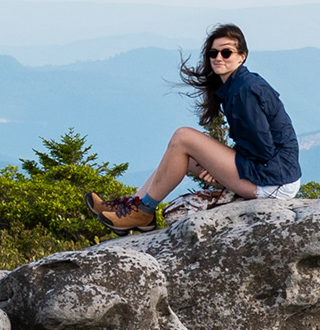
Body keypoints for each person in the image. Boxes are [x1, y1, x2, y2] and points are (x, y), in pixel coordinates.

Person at [87, 24, 302, 234]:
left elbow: (262, 151)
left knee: (183, 137)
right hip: (270, 173)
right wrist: (220, 168)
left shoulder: (245, 91)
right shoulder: (236, 85)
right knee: (181, 157)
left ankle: (144, 210)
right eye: (213, 52)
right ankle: (134, 207)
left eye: (226, 52)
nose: (218, 57)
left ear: (242, 56)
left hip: (274, 181)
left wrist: (223, 174)